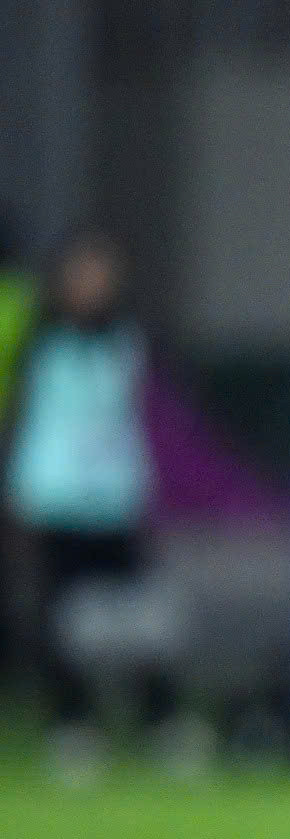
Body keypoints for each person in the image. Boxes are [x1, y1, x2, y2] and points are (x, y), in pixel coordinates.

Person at [2, 231, 169, 784]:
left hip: (115, 496)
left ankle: (158, 721)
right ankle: (73, 726)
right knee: (62, 620)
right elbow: (25, 419)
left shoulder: (126, 341)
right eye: (81, 274)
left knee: (137, 617)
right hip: (56, 497)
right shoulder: (38, 345)